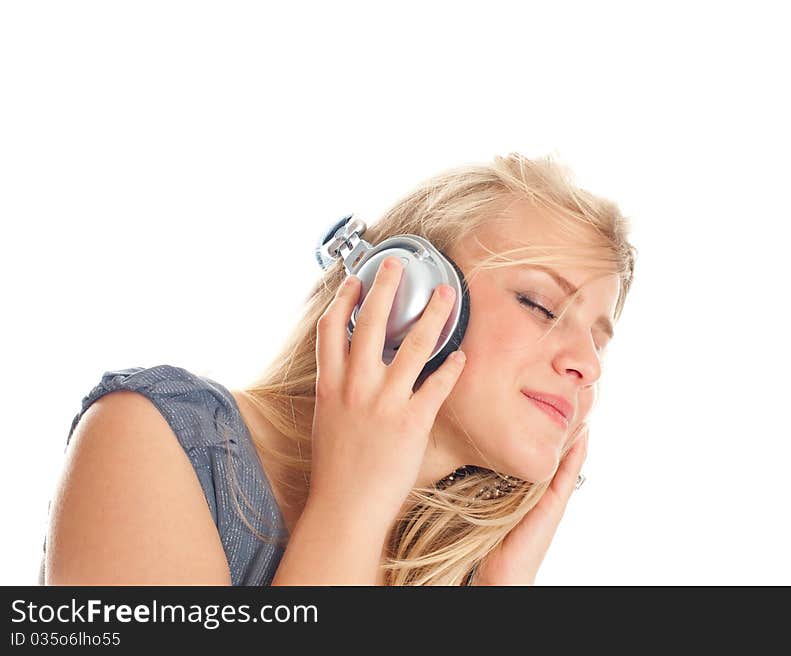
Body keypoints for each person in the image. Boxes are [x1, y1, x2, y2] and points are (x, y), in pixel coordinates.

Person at [40, 153, 637, 586]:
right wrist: (353, 501)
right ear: (401, 290)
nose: (585, 364)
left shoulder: (472, 579)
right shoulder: (154, 440)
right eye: (540, 305)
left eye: (598, 340)